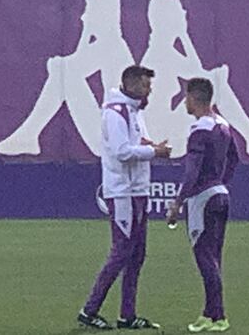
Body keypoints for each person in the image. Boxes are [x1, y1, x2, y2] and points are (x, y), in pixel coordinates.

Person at [78, 65, 171, 330]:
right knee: (121, 252)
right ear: (130, 85)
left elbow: (135, 140)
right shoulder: (115, 112)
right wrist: (155, 153)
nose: (149, 90)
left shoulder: (133, 110)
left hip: (137, 189)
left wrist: (150, 144)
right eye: (145, 85)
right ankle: (89, 310)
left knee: (137, 254)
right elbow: (121, 151)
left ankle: (127, 315)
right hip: (122, 191)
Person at [142, 0, 249, 158]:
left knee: (213, 82)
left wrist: (183, 36)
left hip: (171, 130)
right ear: (167, 19)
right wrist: (182, 34)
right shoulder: (160, 54)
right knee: (216, 83)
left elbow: (196, 72)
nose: (184, 14)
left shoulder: (168, 50)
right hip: (164, 137)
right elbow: (202, 79)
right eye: (179, 11)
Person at [0, 0, 134, 157]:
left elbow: (67, 66)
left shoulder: (111, 46)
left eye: (88, 11)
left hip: (112, 139)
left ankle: (29, 133)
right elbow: (74, 61)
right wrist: (85, 34)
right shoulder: (108, 44)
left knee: (65, 73)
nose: (83, 17)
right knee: (64, 72)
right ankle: (29, 133)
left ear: (102, 15)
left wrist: (85, 33)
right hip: (113, 134)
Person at [167, 78, 239, 333]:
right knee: (214, 257)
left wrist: (178, 202)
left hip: (203, 199)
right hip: (221, 194)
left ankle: (218, 316)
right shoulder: (223, 125)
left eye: (186, 97)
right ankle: (209, 313)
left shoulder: (199, 130)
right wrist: (220, 182)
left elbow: (192, 171)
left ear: (194, 99)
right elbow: (235, 158)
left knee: (204, 258)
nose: (184, 101)